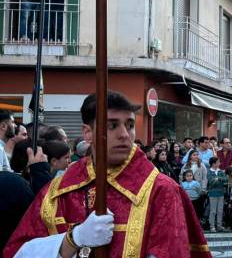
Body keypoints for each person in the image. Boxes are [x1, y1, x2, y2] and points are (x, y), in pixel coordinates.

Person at [4, 90, 210, 257]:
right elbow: (17, 252)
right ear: (87, 133)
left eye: (129, 125)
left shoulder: (161, 190)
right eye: (112, 125)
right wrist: (72, 239)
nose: (124, 134)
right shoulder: (58, 191)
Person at [207, 157, 227, 232]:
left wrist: (218, 179)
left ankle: (219, 225)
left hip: (221, 193)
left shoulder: (220, 171)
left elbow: (225, 179)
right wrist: (220, 179)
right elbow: (211, 182)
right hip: (212, 194)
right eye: (218, 162)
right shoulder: (209, 172)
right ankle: (212, 226)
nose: (219, 163)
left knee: (220, 210)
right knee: (213, 211)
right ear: (213, 163)